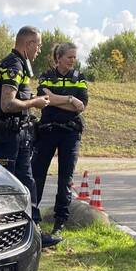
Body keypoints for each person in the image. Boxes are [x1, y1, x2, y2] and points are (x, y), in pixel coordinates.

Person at [0, 26, 50, 234]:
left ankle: (33, 232)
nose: (39, 50)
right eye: (38, 45)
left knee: (27, 182)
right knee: (7, 186)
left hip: (20, 134)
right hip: (8, 136)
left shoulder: (20, 64)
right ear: (29, 44)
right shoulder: (13, 65)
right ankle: (4, 233)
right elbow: (7, 104)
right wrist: (35, 102)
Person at [31, 42, 87, 246]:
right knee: (37, 175)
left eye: (75, 57)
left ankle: (60, 221)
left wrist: (58, 100)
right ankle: (33, 218)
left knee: (66, 179)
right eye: (70, 57)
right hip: (47, 131)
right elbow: (44, 99)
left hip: (70, 133)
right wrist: (70, 99)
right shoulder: (46, 76)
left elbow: (82, 106)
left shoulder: (79, 78)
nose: (73, 60)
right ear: (59, 58)